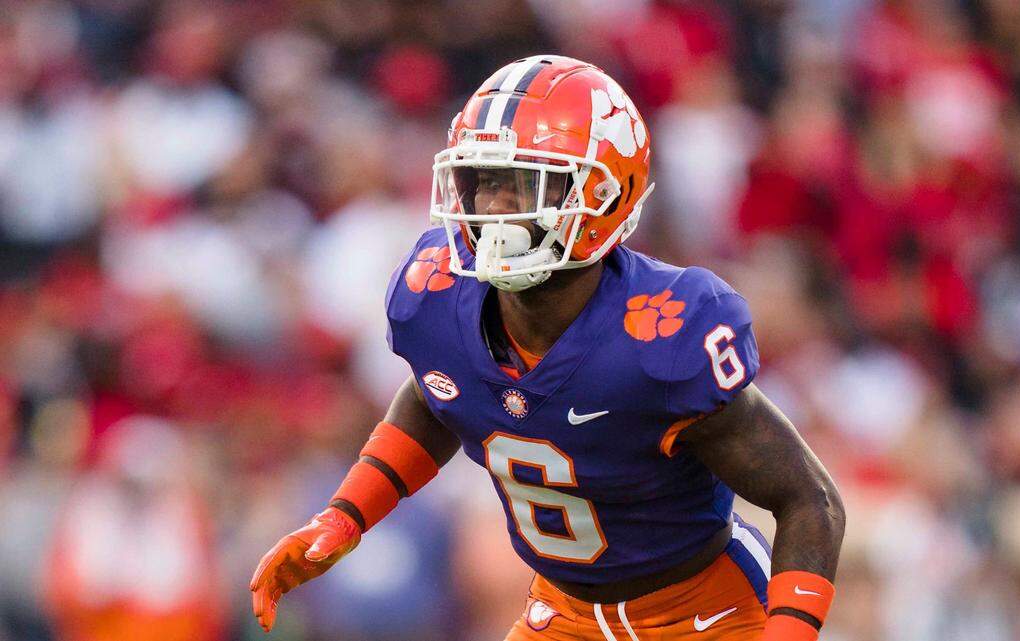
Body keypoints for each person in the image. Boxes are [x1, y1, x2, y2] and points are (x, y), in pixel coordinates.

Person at [251, 55, 845, 641]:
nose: (492, 207)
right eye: (484, 181)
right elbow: (442, 394)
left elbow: (808, 499)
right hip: (562, 617)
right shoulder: (436, 297)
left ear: (603, 195)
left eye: (523, 183)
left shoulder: (661, 336)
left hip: (708, 617)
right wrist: (346, 515)